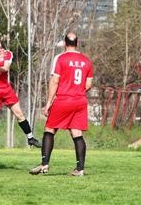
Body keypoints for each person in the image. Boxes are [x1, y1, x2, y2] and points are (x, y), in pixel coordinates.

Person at [29, 32, 93, 176]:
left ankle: (44, 164)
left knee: (49, 129)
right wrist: (77, 91)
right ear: (77, 43)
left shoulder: (61, 58)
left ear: (65, 43)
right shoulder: (86, 60)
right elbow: (88, 84)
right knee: (77, 133)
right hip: (80, 100)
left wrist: (48, 103)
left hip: (64, 99)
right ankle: (80, 169)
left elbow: (54, 81)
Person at [0, 38, 42, 164]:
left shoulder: (7, 54)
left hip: (6, 89)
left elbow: (5, 68)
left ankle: (30, 138)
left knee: (19, 114)